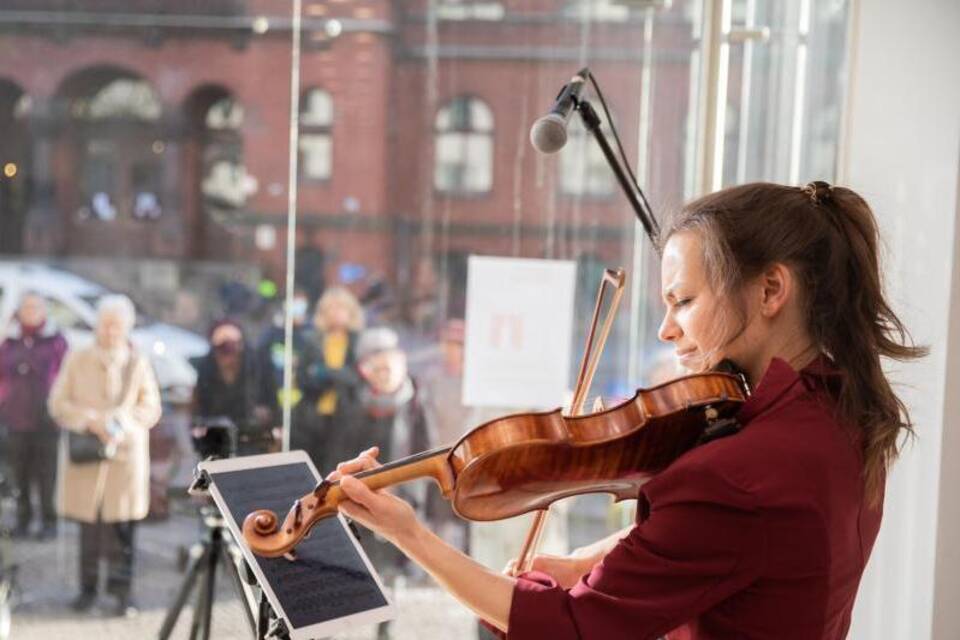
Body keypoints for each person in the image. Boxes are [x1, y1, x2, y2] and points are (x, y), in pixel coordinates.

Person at [325, 181, 926, 639]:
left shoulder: (739, 472)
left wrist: (406, 532)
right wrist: (585, 559)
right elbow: (734, 549)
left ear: (771, 290)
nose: (666, 330)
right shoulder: (841, 408)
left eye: (684, 301)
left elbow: (572, 626)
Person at [48, 294, 161, 617]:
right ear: (97, 325)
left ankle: (122, 593)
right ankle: (86, 590)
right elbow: (58, 403)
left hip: (124, 461)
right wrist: (89, 420)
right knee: (88, 531)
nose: (111, 331)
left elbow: (150, 407)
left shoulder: (137, 362)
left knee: (123, 532)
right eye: (106, 324)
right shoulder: (77, 358)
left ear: (126, 327)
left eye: (117, 325)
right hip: (87, 459)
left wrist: (120, 423)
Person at [0, 293, 68, 539]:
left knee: (46, 475)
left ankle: (49, 522)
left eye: (35, 307)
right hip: (15, 417)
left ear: (44, 311)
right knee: (19, 474)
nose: (30, 311)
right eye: (26, 307)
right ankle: (22, 520)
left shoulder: (56, 340)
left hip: (46, 418)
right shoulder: (9, 339)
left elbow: (66, 375)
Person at [295, 287, 364, 473]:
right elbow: (302, 379)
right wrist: (336, 375)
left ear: (351, 313)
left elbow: (357, 377)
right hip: (312, 418)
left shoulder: (359, 342)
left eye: (340, 308)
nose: (335, 313)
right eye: (330, 309)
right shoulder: (311, 341)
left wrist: (325, 373)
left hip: (346, 417)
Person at [193, 319, 278, 457]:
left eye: (233, 346)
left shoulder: (256, 367)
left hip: (252, 440)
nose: (229, 355)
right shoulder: (206, 370)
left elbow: (271, 401)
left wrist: (265, 414)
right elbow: (201, 407)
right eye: (222, 347)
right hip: (217, 441)